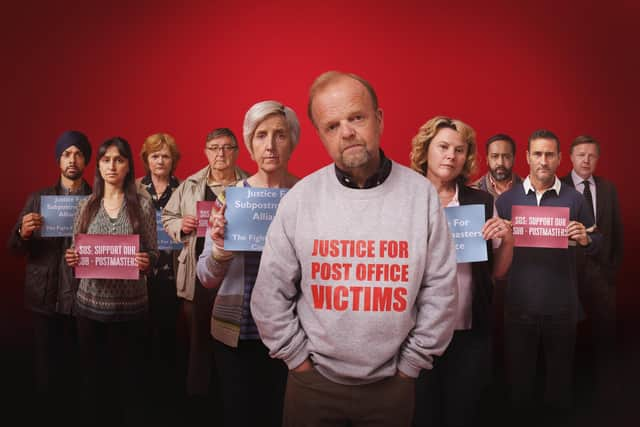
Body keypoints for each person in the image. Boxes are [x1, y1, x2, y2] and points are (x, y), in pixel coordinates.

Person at [250, 71, 458, 427]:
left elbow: (441, 293)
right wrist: (300, 363)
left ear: (378, 119)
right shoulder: (300, 200)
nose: (346, 132)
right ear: (320, 135)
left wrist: (409, 368)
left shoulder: (421, 196)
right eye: (332, 126)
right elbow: (268, 297)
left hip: (392, 387)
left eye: (356, 117)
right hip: (311, 387)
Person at [197, 100, 299, 427]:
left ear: (292, 142)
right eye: (260, 135)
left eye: (280, 135)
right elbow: (205, 278)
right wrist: (219, 251)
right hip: (236, 333)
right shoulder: (229, 198)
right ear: (250, 147)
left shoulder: (306, 196)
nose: (270, 145)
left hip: (292, 335)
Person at [410, 116, 514, 427]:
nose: (450, 156)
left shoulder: (481, 202)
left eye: (459, 150)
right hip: (414, 331)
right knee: (420, 413)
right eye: (442, 147)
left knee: (463, 412)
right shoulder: (406, 198)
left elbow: (497, 273)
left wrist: (508, 240)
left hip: (469, 331)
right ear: (425, 150)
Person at [495, 129, 601, 425]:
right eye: (537, 154)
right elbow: (495, 256)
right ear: (527, 157)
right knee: (519, 386)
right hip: (519, 307)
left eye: (549, 154)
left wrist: (586, 240)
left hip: (562, 308)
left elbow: (598, 241)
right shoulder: (507, 201)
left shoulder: (575, 199)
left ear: (559, 159)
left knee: (559, 386)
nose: (543, 160)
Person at [65, 137, 158, 426]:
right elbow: (75, 251)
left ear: (129, 165)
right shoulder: (85, 206)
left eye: (119, 159)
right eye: (106, 160)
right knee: (93, 380)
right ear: (99, 165)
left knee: (130, 381)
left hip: (131, 309)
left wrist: (147, 261)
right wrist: (73, 258)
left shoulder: (142, 206)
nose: (112, 166)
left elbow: (153, 252)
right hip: (90, 309)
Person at [161, 128, 248, 418]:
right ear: (205, 152)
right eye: (214, 148)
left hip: (235, 275)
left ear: (237, 151)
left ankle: (230, 400)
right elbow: (168, 216)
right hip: (195, 272)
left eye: (226, 148)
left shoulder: (249, 185)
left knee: (231, 340)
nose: (220, 154)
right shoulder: (190, 185)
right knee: (198, 339)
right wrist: (181, 227)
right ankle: (199, 405)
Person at [7, 130, 92, 419]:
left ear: (86, 161)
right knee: (46, 367)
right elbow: (14, 247)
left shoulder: (96, 200)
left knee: (82, 365)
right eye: (67, 154)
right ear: (58, 160)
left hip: (83, 296)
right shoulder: (39, 198)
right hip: (45, 295)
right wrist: (23, 231)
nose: (73, 159)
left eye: (78, 154)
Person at [560, 135, 623, 406]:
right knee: (567, 339)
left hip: (601, 276)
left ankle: (605, 397)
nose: (586, 160)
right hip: (566, 276)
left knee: (603, 336)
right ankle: (570, 395)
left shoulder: (608, 189)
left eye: (592, 155)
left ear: (598, 159)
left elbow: (616, 233)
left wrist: (611, 271)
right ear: (571, 158)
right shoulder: (557, 187)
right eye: (581, 154)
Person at [137, 133, 182, 403]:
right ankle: (142, 387)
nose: (160, 160)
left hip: (173, 272)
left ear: (173, 160)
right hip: (139, 273)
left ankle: (167, 391)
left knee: (168, 333)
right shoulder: (134, 188)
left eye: (166, 155)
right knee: (139, 333)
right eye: (155, 155)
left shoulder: (185, 188)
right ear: (146, 159)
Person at [471, 134, 522, 199]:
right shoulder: (473, 191)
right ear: (487, 159)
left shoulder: (530, 189)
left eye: (506, 157)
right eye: (495, 156)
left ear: (514, 159)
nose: (500, 163)